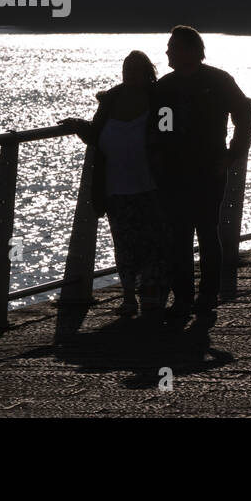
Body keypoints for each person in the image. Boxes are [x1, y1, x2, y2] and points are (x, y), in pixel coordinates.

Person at [151, 25, 251, 318]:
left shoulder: (218, 80)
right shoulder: (166, 86)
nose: (168, 51)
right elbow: (161, 128)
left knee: (204, 231)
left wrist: (232, 155)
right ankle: (186, 295)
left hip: (208, 169)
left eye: (173, 46)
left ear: (190, 50)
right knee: (182, 234)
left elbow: (245, 116)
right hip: (176, 171)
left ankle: (206, 294)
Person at [62, 51, 169, 316]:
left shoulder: (160, 101)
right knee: (124, 244)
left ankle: (152, 295)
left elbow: (170, 133)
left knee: (154, 243)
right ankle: (129, 297)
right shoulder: (110, 100)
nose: (129, 74)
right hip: (116, 187)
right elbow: (97, 135)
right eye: (126, 69)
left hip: (153, 185)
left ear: (147, 72)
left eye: (135, 69)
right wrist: (78, 125)